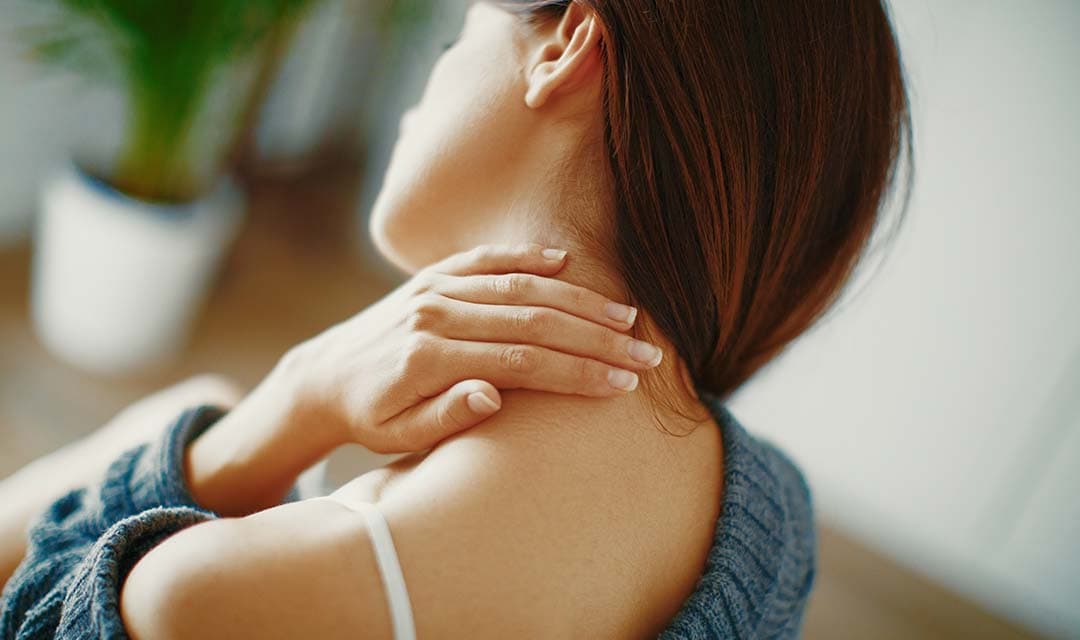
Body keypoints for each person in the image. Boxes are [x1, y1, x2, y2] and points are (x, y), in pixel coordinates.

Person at [0, 0, 910, 637]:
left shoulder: (212, 597)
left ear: (566, 47)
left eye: (450, 37)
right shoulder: (776, 516)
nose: (423, 91)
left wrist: (277, 416)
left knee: (185, 419)